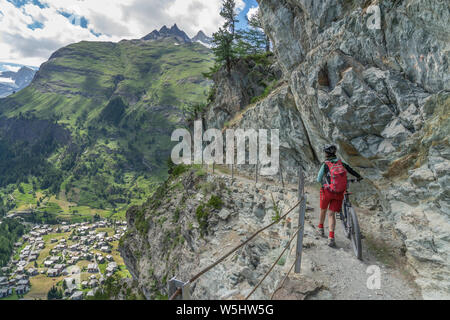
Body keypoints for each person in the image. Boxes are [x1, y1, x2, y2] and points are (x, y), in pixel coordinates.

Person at [317, 144, 362, 247]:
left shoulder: (325, 164)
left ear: (326, 154)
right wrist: (359, 177)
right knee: (331, 214)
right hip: (339, 193)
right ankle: (331, 238)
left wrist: (325, 183)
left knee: (323, 210)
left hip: (327, 192)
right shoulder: (341, 162)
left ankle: (320, 228)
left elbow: (318, 179)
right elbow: (351, 170)